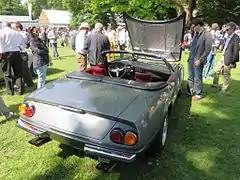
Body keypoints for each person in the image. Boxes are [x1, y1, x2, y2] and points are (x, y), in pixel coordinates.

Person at [187, 18, 212, 101]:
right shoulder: (195, 34)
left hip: (198, 60)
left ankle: (198, 94)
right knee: (190, 76)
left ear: (198, 25)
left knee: (197, 77)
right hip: (191, 59)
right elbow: (192, 45)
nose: (192, 29)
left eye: (193, 27)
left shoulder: (207, 34)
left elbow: (208, 49)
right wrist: (185, 46)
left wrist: (200, 60)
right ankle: (190, 91)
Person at [212, 22, 239, 93]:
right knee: (216, 70)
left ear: (232, 29)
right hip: (223, 56)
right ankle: (215, 84)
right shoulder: (227, 36)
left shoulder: (236, 37)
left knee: (226, 74)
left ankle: (224, 88)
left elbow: (236, 51)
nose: (226, 31)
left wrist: (233, 62)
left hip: (229, 58)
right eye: (226, 29)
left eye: (227, 29)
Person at [0, 21, 24, 95]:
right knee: (18, 73)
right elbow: (21, 43)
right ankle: (20, 90)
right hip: (17, 53)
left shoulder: (2, 32)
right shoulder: (17, 33)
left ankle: (10, 91)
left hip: (6, 54)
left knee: (7, 73)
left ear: (3, 26)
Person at [13, 22, 34, 87]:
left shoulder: (21, 34)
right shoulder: (23, 34)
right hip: (22, 52)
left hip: (22, 52)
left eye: (14, 27)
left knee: (25, 69)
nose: (13, 29)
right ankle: (26, 82)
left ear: (18, 28)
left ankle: (30, 83)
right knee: (23, 69)